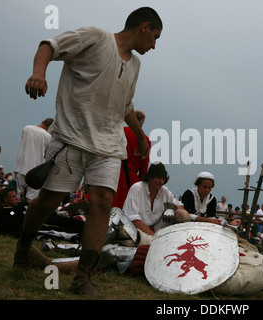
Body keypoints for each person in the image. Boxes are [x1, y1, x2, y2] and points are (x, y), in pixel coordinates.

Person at [13, 7, 161, 297]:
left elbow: (126, 105)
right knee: (48, 201)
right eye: (154, 37)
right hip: (72, 136)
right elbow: (49, 46)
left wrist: (141, 136)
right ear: (144, 27)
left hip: (108, 145)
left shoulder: (135, 65)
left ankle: (82, 278)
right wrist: (38, 74)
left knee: (103, 203)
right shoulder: (96, 37)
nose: (154, 45)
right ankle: (23, 246)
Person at [123, 162, 190, 236]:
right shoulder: (137, 188)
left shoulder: (164, 191)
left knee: (183, 214)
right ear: (150, 177)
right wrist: (154, 236)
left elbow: (181, 207)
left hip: (158, 231)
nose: (161, 182)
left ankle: (181, 239)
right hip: (138, 231)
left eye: (163, 179)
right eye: (158, 178)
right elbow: (133, 219)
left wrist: (171, 208)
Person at [112, 110, 151, 209]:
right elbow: (143, 167)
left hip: (113, 174)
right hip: (131, 178)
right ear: (141, 122)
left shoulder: (120, 132)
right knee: (128, 210)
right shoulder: (145, 140)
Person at [13, 118, 54, 202]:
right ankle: (26, 214)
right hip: (36, 171)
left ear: (42, 122)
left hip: (21, 167)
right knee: (30, 200)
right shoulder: (48, 136)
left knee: (15, 198)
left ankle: (12, 213)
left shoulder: (27, 128)